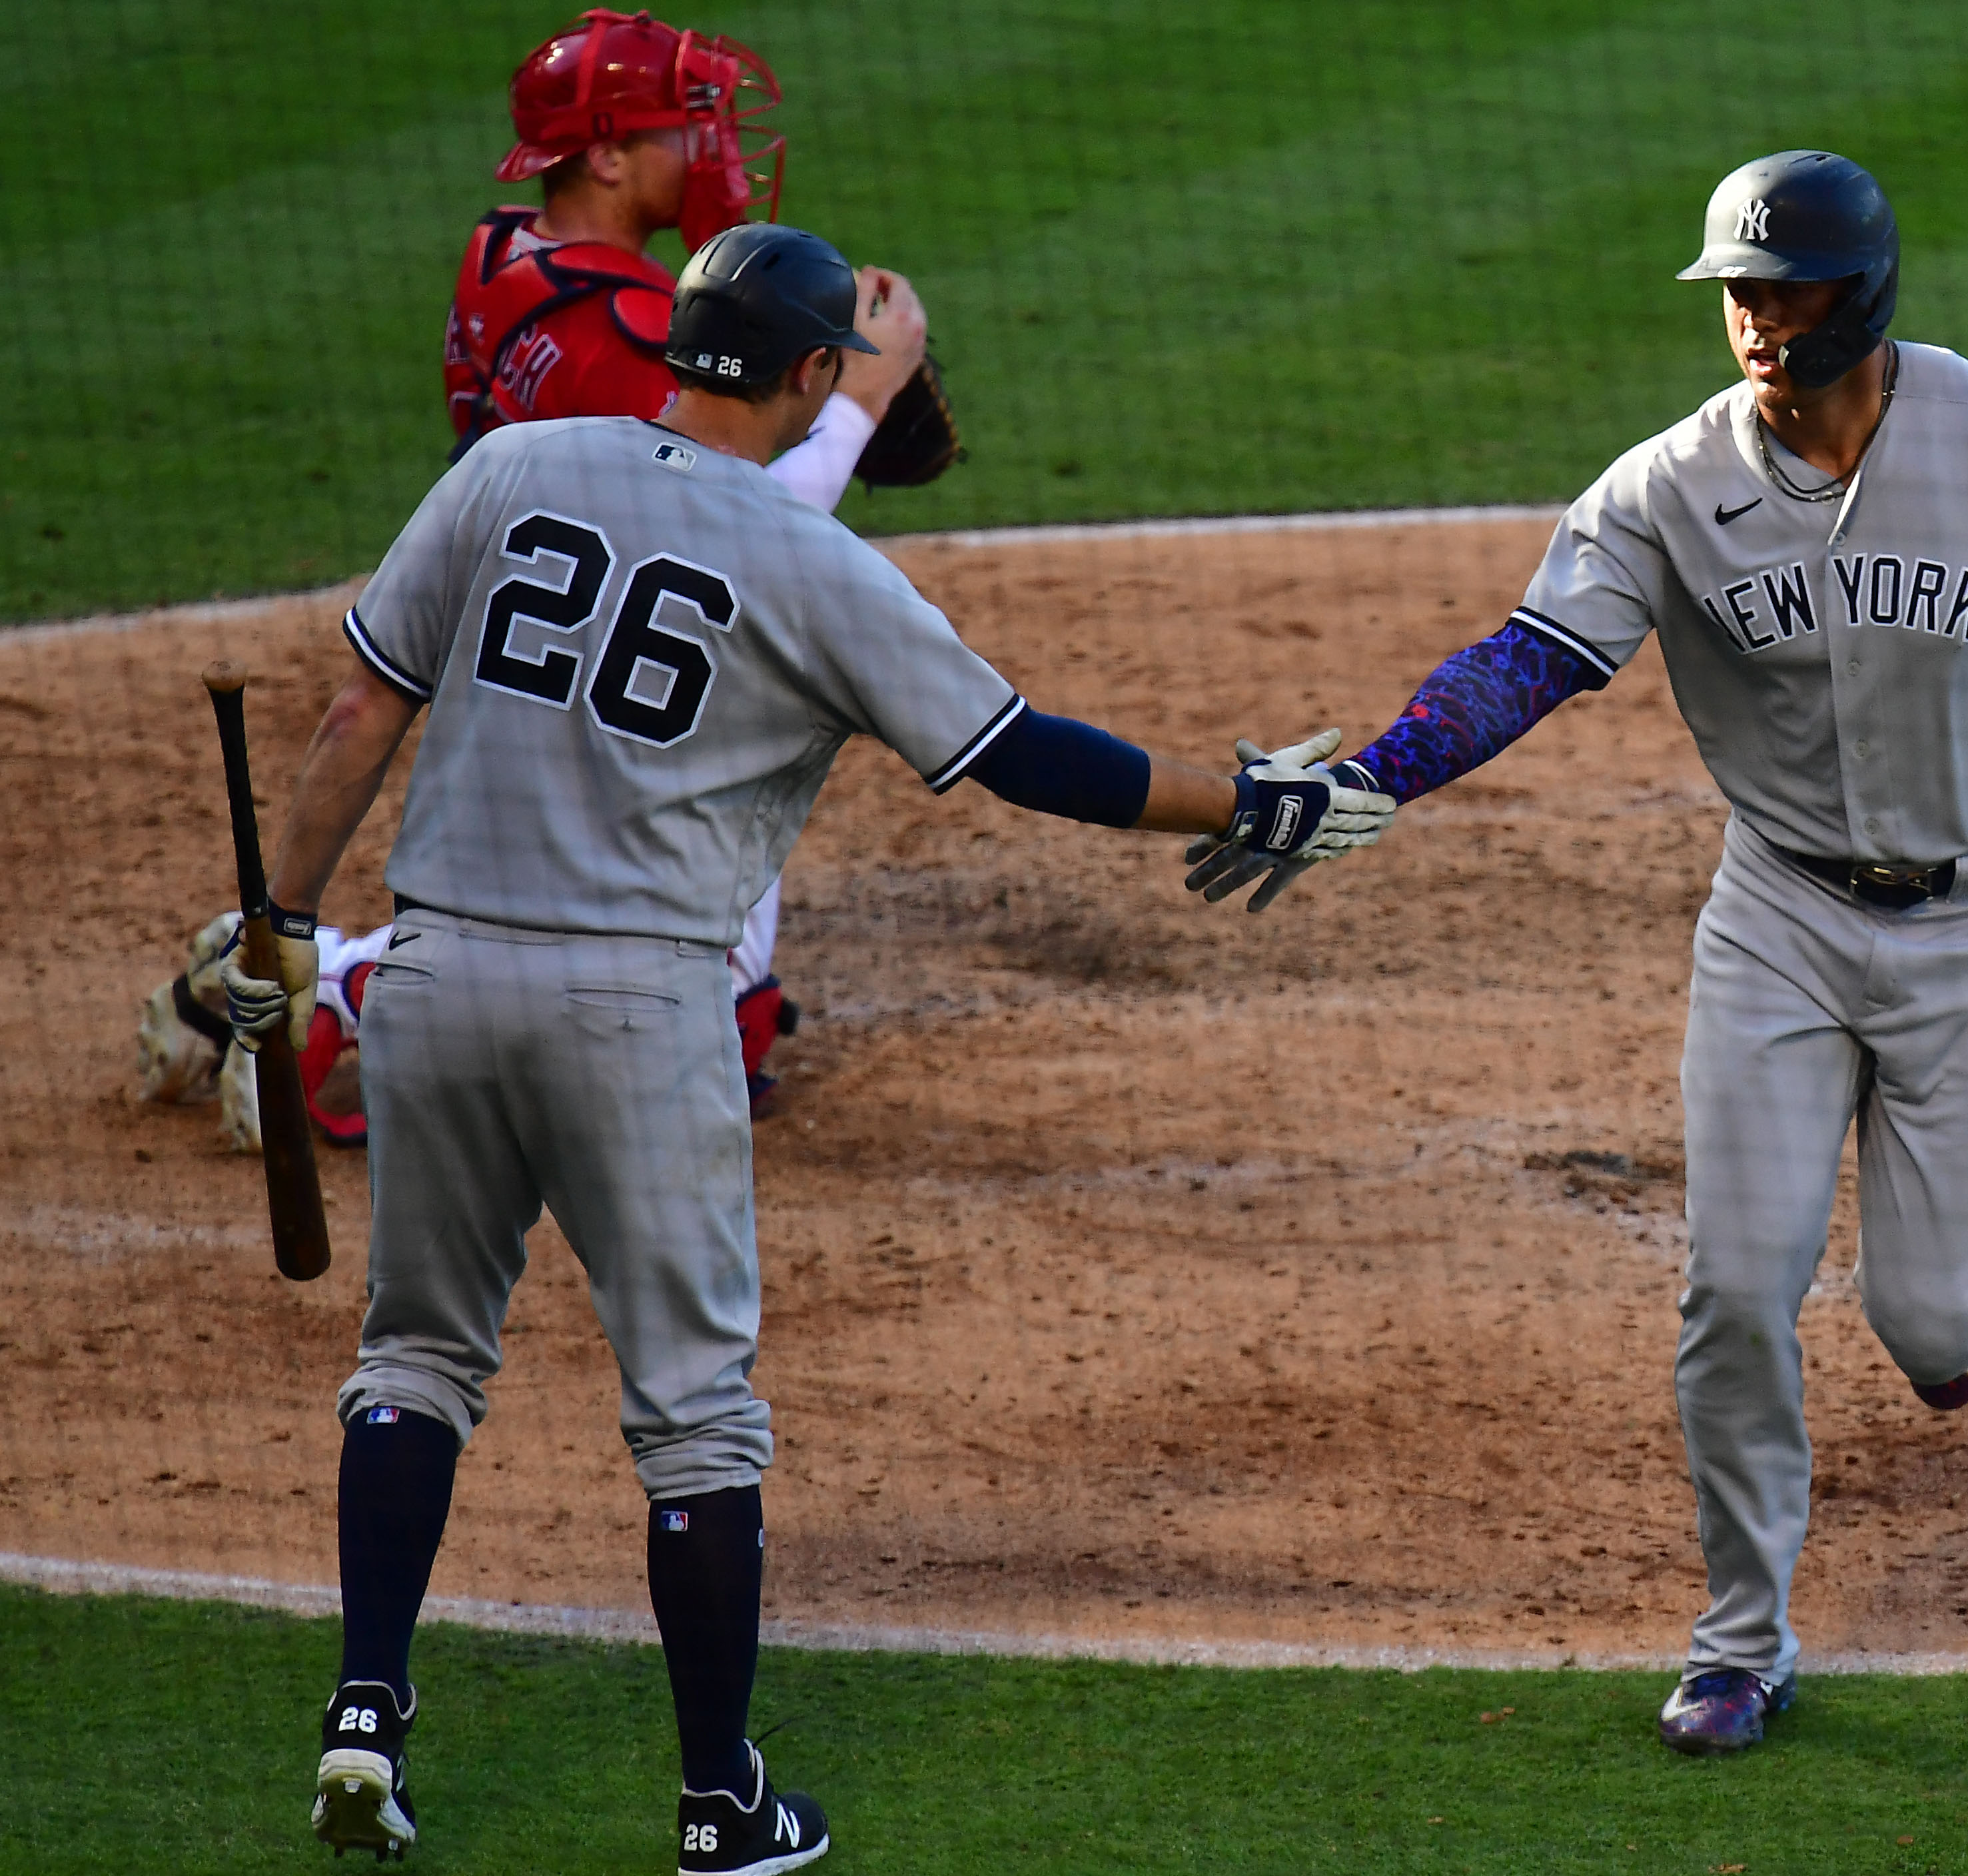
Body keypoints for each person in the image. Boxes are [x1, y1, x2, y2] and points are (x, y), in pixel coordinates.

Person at [1188, 151, 1968, 1755]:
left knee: (1930, 1333)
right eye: (1733, 290)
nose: (1747, 318)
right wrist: (1379, 770)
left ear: (1855, 298)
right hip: (1779, 922)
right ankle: (1739, 1639)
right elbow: (1531, 656)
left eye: (1777, 289)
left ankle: (1951, 1317)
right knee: (1733, 1284)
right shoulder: (1666, 485)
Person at [219, 223, 1390, 1871]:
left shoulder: (513, 470)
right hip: (636, 1009)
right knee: (694, 1419)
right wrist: (1247, 793)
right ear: (818, 374)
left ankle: (362, 1719)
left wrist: (273, 920)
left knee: (415, 1359)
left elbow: (359, 709)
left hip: (433, 972)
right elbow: (1021, 755)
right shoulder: (813, 566)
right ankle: (716, 1807)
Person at [444, 5, 935, 1113]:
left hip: (519, 628)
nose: (709, 150)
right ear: (608, 155)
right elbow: (730, 530)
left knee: (544, 902)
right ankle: (335, 985)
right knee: (685, 954)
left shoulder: (504, 251)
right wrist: (856, 405)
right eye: (682, 127)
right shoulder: (627, 328)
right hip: (602, 665)